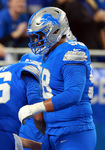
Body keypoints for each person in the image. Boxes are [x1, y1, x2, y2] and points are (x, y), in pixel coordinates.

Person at [18, 7, 96, 150]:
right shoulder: (47, 56)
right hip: (51, 131)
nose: (36, 40)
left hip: (74, 130)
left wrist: (35, 107)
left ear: (55, 31)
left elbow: (74, 94)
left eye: (39, 35)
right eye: (34, 36)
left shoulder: (72, 50)